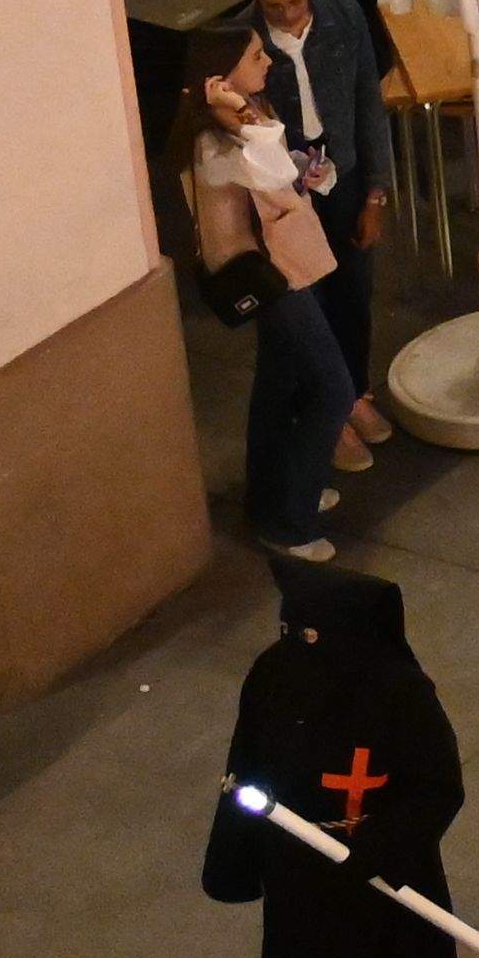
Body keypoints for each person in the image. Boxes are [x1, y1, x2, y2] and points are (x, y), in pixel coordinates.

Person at [202, 559, 473, 958]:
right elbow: (246, 758)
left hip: (384, 872)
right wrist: (239, 848)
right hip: (300, 863)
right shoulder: (275, 673)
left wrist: (377, 847)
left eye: (307, 635)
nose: (293, 646)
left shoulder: (401, 693)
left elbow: (437, 787)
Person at [184, 28, 359, 560]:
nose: (267, 61)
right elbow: (269, 168)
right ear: (220, 77)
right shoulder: (213, 142)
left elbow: (283, 172)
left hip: (285, 266)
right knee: (332, 389)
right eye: (254, 55)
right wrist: (235, 111)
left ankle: (275, 499)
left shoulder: (240, 120)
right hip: (270, 275)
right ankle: (290, 524)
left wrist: (310, 171)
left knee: (279, 383)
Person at [231, 0, 390, 480]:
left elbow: (369, 100)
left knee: (354, 292)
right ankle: (323, 412)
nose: (286, 14)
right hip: (288, 196)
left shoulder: (343, 14)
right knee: (307, 308)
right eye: (273, 7)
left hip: (342, 181)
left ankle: (352, 391)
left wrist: (376, 192)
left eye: (295, 2)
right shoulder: (246, 47)